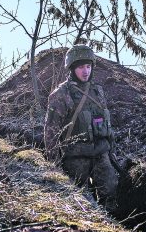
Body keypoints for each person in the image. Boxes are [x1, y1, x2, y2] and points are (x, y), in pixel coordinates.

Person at [44, 44, 119, 208]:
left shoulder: (98, 91)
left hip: (101, 154)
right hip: (76, 158)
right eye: (80, 67)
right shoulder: (61, 94)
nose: (85, 71)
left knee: (111, 194)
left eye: (88, 66)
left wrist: (112, 152)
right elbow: (51, 133)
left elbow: (106, 123)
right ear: (71, 69)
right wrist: (54, 166)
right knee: (82, 203)